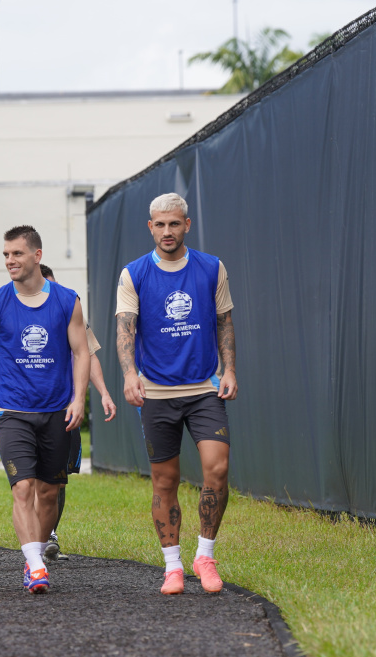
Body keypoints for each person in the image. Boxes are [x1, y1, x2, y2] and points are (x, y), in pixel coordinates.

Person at [115, 192, 237, 595]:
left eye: (175, 224)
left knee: (216, 470)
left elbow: (224, 322)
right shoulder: (133, 274)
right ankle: (172, 566)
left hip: (204, 389)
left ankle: (205, 556)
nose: (167, 231)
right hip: (156, 393)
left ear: (187, 225)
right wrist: (130, 374)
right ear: (150, 227)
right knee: (165, 481)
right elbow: (125, 329)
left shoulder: (211, 268)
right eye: (160, 225)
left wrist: (230, 369)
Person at [0, 226, 90, 594]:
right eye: (6, 255)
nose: (10, 261)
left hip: (57, 411)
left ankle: (32, 554)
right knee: (22, 487)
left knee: (49, 493)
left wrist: (79, 398)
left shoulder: (67, 301)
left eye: (17, 254)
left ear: (37, 255)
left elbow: (82, 352)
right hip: (12, 411)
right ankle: (36, 565)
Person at [35, 264, 117, 562]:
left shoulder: (71, 311)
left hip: (65, 410)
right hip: (28, 409)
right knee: (32, 478)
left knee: (58, 478)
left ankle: (50, 534)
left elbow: (89, 354)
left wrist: (104, 393)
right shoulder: (16, 311)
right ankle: (35, 541)